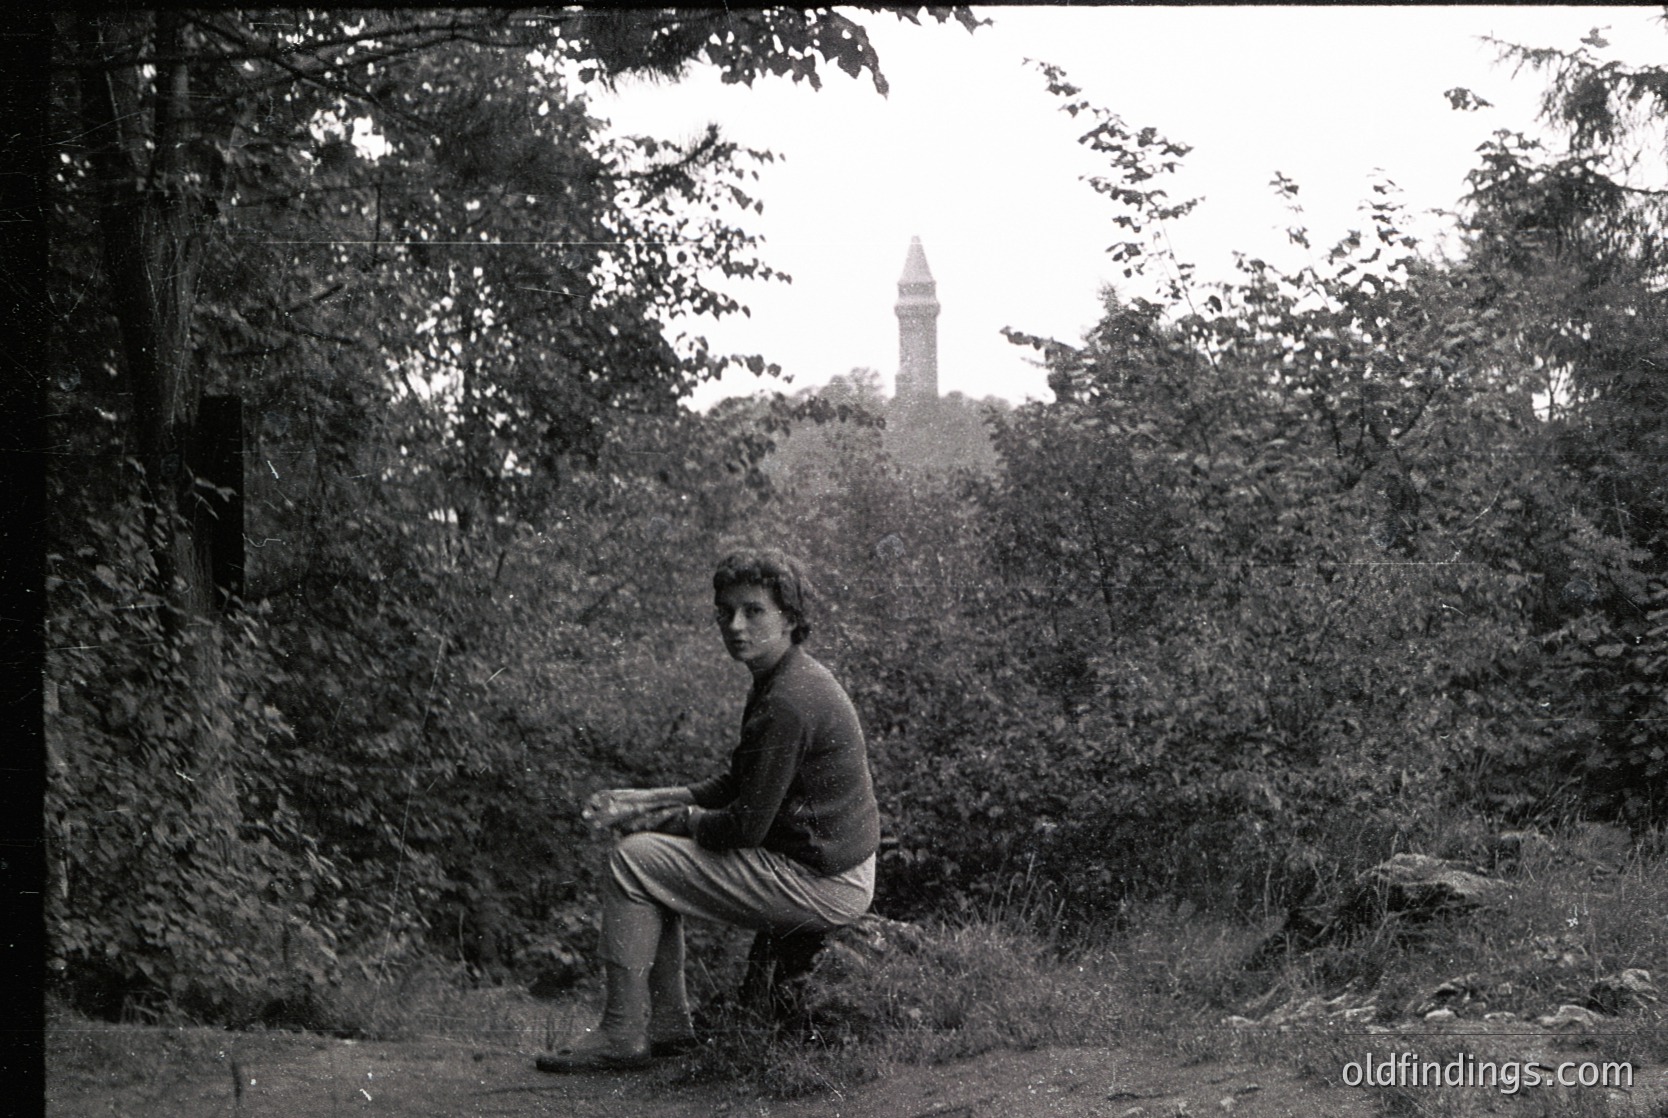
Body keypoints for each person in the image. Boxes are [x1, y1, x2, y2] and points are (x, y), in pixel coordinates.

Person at [537, 548, 880, 1073]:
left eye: (753, 610)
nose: (735, 625)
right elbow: (736, 783)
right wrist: (649, 799)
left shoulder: (788, 700)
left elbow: (745, 826)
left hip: (826, 882)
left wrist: (667, 822)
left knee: (635, 860)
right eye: (725, 611)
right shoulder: (785, 677)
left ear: (789, 617)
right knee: (654, 862)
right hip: (835, 868)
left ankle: (622, 1032)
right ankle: (669, 1029)